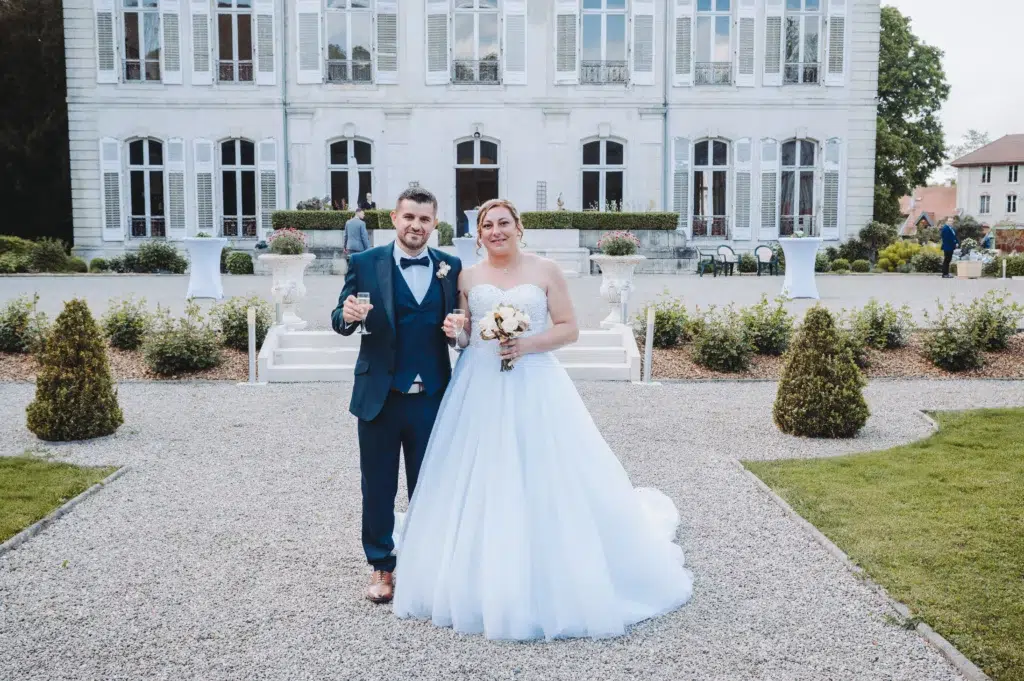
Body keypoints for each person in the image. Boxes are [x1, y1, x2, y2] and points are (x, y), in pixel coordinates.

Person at [390, 198, 693, 641]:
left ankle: (551, 568)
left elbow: (569, 327)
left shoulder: (546, 270)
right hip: (479, 385)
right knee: (480, 472)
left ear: (519, 227)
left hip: (535, 381)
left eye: (503, 223)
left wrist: (527, 345)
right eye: (487, 225)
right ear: (478, 235)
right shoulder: (467, 276)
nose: (495, 231)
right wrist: (459, 331)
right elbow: (466, 333)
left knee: (545, 469)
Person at [330, 188, 463, 603]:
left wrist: (459, 331)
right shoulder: (365, 263)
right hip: (379, 396)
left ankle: (426, 565)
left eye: (424, 219)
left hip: (431, 396)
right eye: (409, 217)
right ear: (394, 218)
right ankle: (382, 566)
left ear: (434, 223)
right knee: (379, 486)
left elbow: (462, 326)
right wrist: (347, 316)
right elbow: (339, 316)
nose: (416, 226)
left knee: (430, 485)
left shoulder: (450, 266)